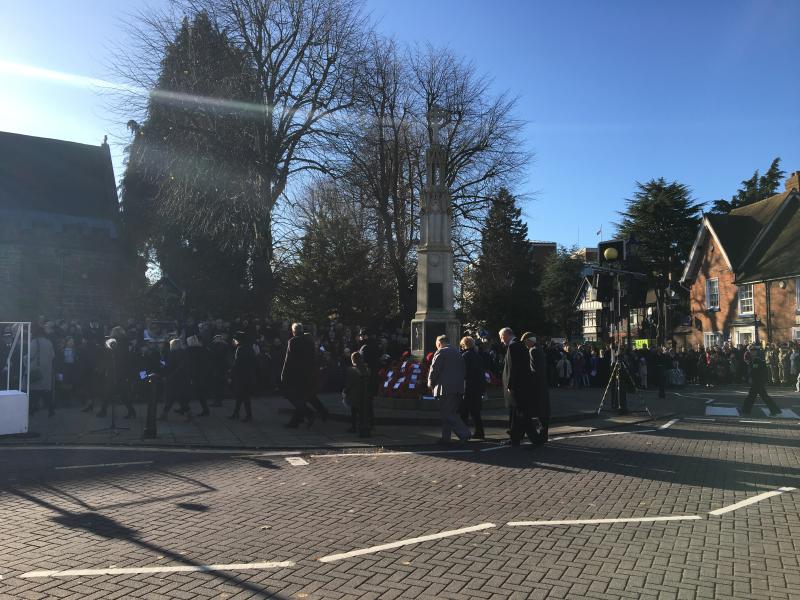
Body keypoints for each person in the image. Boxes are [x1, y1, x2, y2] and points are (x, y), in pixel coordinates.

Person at [500, 327, 539, 446]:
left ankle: (535, 439)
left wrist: (510, 385)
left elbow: (513, 368)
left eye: (501, 337)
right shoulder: (519, 345)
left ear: (506, 335)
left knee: (522, 414)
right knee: (516, 414)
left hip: (517, 387)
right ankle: (515, 438)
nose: (501, 340)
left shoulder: (513, 347)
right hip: (520, 386)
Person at [428, 334, 470, 444]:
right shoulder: (458, 353)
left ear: (439, 343)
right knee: (448, 412)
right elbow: (464, 371)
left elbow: (434, 370)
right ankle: (445, 438)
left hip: (445, 388)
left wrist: (430, 384)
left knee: (448, 414)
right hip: (458, 388)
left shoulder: (441, 352)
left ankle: (464, 433)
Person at [281, 323, 315, 427]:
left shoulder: (293, 341)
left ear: (293, 331)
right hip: (307, 373)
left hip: (295, 374)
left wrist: (283, 374)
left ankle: (307, 414)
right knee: (300, 397)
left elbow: (288, 360)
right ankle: (297, 420)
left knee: (292, 396)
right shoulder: (309, 341)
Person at [521, 332, 550, 445]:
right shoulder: (539, 349)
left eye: (525, 342)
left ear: (529, 340)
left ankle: (539, 439)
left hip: (537, 387)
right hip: (543, 385)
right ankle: (543, 436)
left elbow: (534, 371)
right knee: (543, 413)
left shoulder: (533, 350)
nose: (525, 344)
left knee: (538, 412)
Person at [741, 348, 782, 416]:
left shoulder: (757, 360)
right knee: (761, 397)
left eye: (753, 351)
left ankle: (745, 411)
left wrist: (747, 377)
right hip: (757, 381)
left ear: (755, 352)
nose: (752, 353)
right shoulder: (754, 360)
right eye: (751, 351)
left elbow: (754, 371)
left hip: (758, 381)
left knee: (752, 397)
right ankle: (775, 410)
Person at [460, 336, 485, 440]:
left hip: (467, 387)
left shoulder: (465, 356)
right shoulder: (478, 356)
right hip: (477, 387)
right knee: (475, 413)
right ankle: (480, 432)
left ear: (464, 345)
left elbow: (462, 373)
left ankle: (464, 433)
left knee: (464, 412)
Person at [229, 330, 256, 422]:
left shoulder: (240, 349)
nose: (234, 341)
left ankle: (249, 415)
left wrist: (231, 374)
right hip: (249, 375)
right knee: (241, 396)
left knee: (243, 396)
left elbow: (237, 364)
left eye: (235, 339)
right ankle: (236, 413)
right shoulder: (250, 348)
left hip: (241, 376)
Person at [29, 326, 56, 417]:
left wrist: (24, 359)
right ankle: (51, 409)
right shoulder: (49, 342)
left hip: (36, 370)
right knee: (45, 391)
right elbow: (52, 356)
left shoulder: (34, 342)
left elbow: (30, 356)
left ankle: (31, 410)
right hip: (47, 370)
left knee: (33, 391)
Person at [343, 351, 371, 436]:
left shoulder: (351, 370)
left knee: (354, 411)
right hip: (365, 393)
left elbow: (349, 383)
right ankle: (364, 425)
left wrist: (345, 391)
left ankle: (354, 426)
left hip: (354, 393)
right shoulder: (367, 368)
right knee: (362, 411)